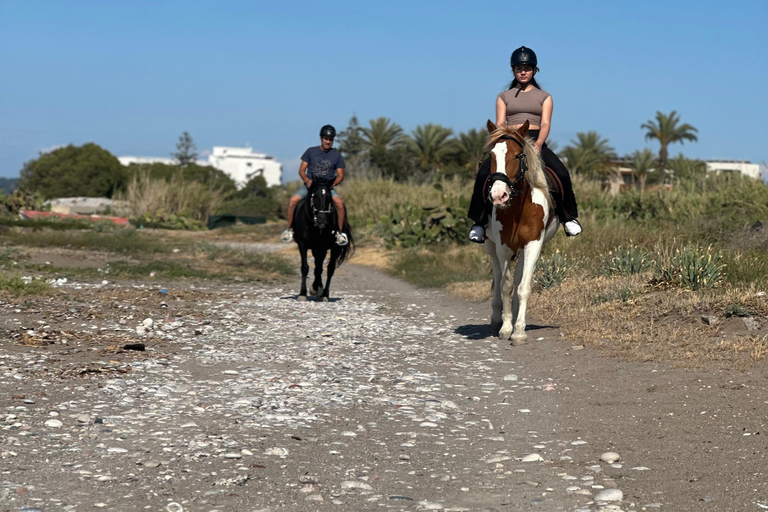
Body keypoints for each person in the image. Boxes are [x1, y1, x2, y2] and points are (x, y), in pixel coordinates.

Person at [468, 46, 582, 243]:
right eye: (519, 68)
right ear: (513, 70)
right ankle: (478, 222)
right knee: (484, 175)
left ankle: (568, 218)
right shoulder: (503, 96)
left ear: (534, 71)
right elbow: (500, 123)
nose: (523, 72)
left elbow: (546, 123)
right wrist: (504, 142)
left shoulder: (544, 96)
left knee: (561, 174)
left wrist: (538, 143)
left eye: (527, 68)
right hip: (510, 139)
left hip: (534, 139)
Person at [281, 124, 349, 246]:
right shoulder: (310, 151)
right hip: (310, 186)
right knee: (293, 201)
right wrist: (307, 180)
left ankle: (339, 233)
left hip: (327, 187)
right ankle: (290, 229)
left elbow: (340, 176)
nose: (328, 141)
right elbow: (302, 170)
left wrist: (331, 185)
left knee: (339, 203)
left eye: (330, 139)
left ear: (332, 140)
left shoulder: (336, 155)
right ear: (321, 138)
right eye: (326, 139)